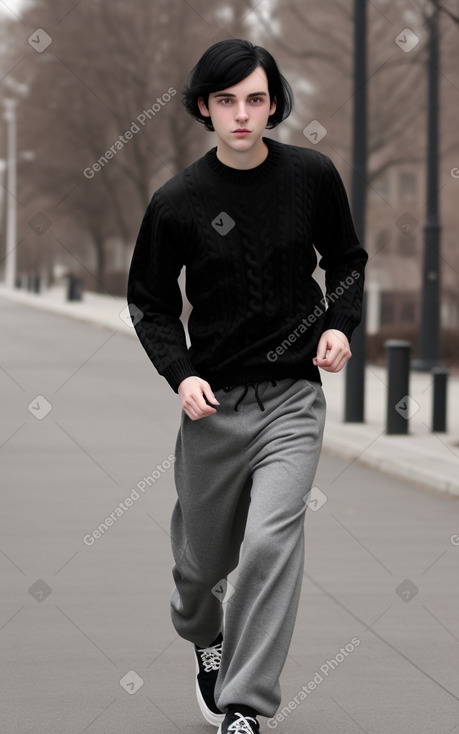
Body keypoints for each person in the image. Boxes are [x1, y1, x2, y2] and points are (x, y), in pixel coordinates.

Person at [127, 38, 368, 734]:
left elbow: (345, 260)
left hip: (291, 402)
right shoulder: (178, 201)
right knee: (199, 572)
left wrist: (339, 324)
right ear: (205, 106)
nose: (241, 114)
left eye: (255, 100)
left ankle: (244, 703)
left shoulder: (311, 177)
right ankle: (205, 636)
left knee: (268, 542)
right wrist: (182, 373)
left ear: (273, 105)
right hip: (214, 410)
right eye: (226, 101)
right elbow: (148, 303)